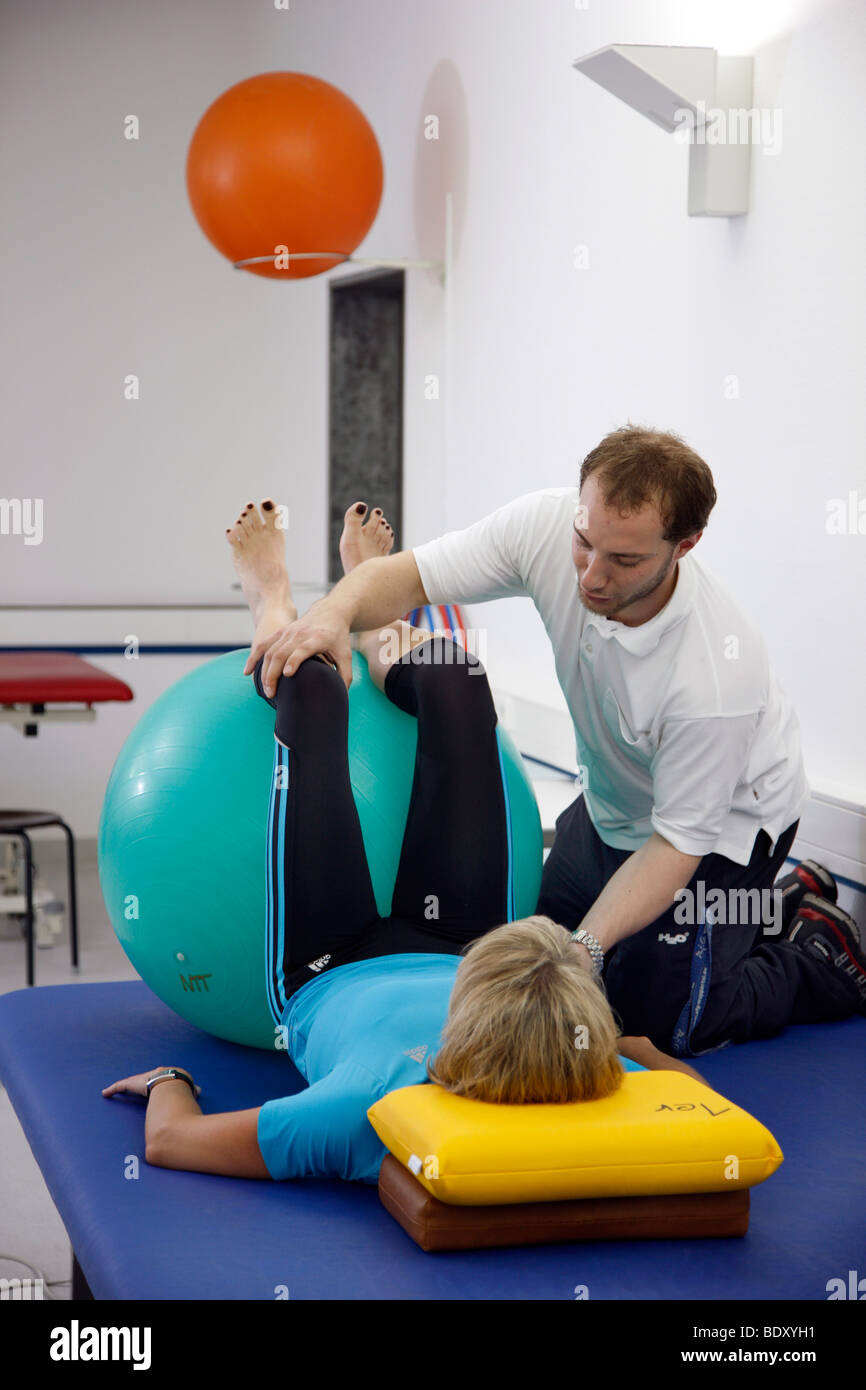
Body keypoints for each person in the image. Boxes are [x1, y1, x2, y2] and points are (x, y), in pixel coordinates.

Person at [102, 497, 708, 1184]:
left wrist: (168, 1079)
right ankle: (378, 624)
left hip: (330, 970)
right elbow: (678, 1083)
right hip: (471, 959)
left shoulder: (367, 1108)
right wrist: (626, 1048)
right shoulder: (580, 1067)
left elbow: (174, 1142)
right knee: (459, 681)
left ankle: (271, 601)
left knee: (316, 690)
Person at [243, 426, 866, 1057]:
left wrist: (585, 948)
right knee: (527, 968)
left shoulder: (713, 677)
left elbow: (676, 845)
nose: (591, 576)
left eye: (624, 561)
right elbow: (411, 577)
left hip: (722, 832)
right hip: (612, 804)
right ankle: (764, 912)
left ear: (686, 545)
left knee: (657, 1026)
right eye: (584, 543)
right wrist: (330, 615)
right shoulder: (542, 526)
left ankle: (815, 950)